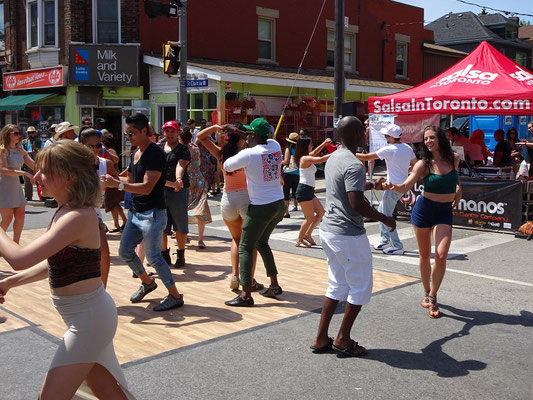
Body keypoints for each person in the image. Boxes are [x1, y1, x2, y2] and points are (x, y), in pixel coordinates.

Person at [0, 140, 136, 399]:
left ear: (69, 176)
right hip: (88, 317)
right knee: (103, 389)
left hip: (89, 320)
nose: (37, 176)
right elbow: (54, 262)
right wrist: (10, 283)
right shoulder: (66, 212)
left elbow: (19, 258)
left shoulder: (77, 216)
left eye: (45, 171)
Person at [311, 116, 396, 357]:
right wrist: (384, 218)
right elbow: (355, 202)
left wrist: (371, 186)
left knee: (337, 284)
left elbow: (343, 189)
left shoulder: (335, 157)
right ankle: (342, 339)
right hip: (347, 235)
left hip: (328, 230)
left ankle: (320, 338)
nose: (366, 135)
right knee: (359, 287)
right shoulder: (355, 164)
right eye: (364, 131)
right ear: (359, 134)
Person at [102, 113, 184, 311]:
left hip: (153, 213)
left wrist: (118, 185)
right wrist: (109, 178)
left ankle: (175, 296)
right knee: (125, 251)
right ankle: (147, 283)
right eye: (126, 133)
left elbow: (147, 186)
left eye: (131, 133)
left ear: (144, 131)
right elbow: (129, 178)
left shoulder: (155, 154)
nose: (128, 137)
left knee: (154, 256)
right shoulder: (136, 152)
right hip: (136, 212)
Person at [386, 126, 461, 319]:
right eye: (426, 139)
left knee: (442, 255)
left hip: (444, 212)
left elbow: (456, 178)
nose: (428, 141)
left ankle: (434, 295)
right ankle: (427, 291)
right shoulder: (422, 164)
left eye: (432, 137)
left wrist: (458, 189)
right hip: (424, 211)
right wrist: (392, 186)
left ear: (440, 138)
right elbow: (405, 186)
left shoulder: (454, 158)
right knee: (425, 255)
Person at [223, 117, 285, 307]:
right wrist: (236, 131)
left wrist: (241, 139)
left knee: (245, 246)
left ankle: (245, 294)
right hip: (278, 205)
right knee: (262, 242)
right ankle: (274, 284)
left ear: (254, 136)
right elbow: (256, 138)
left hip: (260, 208)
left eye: (250, 133)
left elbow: (226, 165)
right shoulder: (275, 145)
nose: (247, 136)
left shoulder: (249, 154)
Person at [196, 122, 263, 291]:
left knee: (236, 239)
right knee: (250, 243)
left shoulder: (221, 154)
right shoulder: (248, 154)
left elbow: (200, 137)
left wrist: (214, 128)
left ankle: (235, 275)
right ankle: (250, 280)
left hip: (227, 199)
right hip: (246, 199)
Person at [356, 124, 416, 255]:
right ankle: (385, 240)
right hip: (401, 186)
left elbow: (366, 157)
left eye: (386, 136)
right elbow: (415, 166)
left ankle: (397, 245)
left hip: (393, 187)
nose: (385, 138)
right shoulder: (407, 148)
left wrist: (347, 152)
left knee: (387, 216)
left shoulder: (390, 149)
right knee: (381, 211)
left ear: (391, 137)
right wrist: (403, 171)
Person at [79, 128, 120, 287]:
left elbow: (122, 178)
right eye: (90, 146)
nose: (95, 149)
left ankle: (101, 290)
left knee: (104, 253)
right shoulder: (74, 164)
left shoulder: (105, 163)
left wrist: (117, 183)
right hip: (75, 213)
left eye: (98, 146)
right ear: (82, 145)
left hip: (95, 214)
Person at [160, 120, 190, 268]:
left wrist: (178, 179)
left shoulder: (182, 150)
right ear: (163, 132)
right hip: (160, 190)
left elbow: (181, 164)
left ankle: (181, 254)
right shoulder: (158, 148)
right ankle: (164, 254)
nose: (170, 134)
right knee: (161, 224)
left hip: (179, 190)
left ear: (178, 133)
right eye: (167, 131)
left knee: (179, 224)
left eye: (173, 131)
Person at [293, 136, 332, 248]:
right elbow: (320, 159)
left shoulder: (306, 156)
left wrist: (324, 143)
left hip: (309, 190)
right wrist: (337, 153)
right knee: (309, 218)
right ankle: (299, 241)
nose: (312, 146)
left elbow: (315, 152)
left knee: (320, 213)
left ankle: (307, 234)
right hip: (304, 190)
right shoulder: (304, 158)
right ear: (306, 146)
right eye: (310, 144)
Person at [0, 124, 35, 244]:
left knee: (20, 215)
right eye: (15, 133)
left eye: (19, 133)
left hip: (15, 187)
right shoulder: (2, 150)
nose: (19, 136)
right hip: (4, 186)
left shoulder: (20, 150)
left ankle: (16, 243)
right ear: (7, 134)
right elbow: (4, 170)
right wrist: (24, 173)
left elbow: (34, 165)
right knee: (7, 218)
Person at [180, 126, 212, 249]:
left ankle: (184, 235)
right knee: (201, 207)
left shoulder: (180, 151)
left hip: (185, 179)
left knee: (182, 209)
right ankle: (200, 239)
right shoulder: (196, 149)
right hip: (198, 179)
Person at [101, 132, 127, 232]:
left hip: (113, 180)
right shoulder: (106, 151)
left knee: (113, 203)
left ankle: (123, 220)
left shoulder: (110, 151)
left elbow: (116, 160)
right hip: (110, 180)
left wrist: (106, 153)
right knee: (113, 204)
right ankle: (117, 224)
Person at [21, 126, 43, 201]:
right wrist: (28, 153)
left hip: (37, 163)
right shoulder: (24, 142)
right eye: (29, 133)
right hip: (27, 164)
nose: (31, 134)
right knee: (27, 181)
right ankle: (28, 196)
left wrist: (35, 148)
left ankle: (42, 195)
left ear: (35, 133)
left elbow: (43, 151)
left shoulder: (39, 141)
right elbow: (21, 152)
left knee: (39, 180)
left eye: (32, 132)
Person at [282, 132, 300, 218]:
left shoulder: (288, 149)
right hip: (297, 172)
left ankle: (286, 212)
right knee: (295, 191)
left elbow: (286, 161)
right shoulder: (300, 150)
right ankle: (296, 206)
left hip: (288, 173)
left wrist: (280, 162)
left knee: (286, 192)